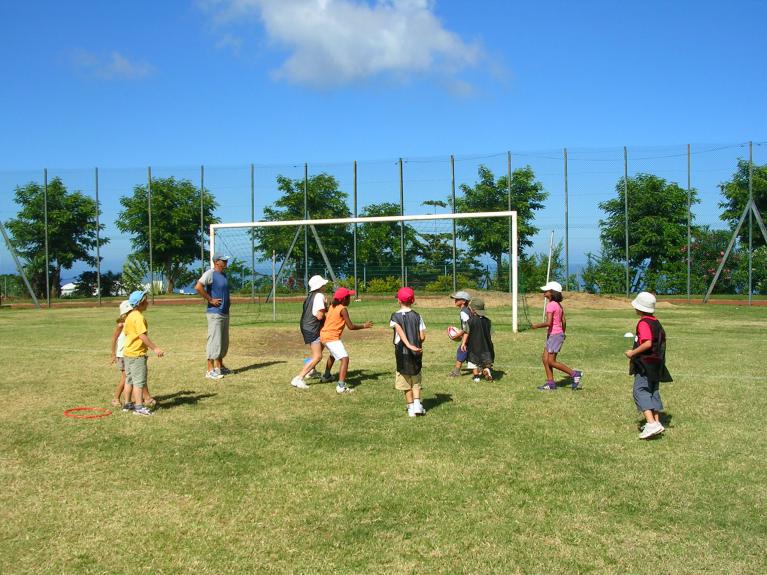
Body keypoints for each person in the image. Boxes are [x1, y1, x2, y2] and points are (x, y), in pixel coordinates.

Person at [625, 291, 672, 440]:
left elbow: (647, 343)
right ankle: (657, 423)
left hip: (645, 363)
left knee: (640, 391)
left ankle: (651, 423)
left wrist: (632, 353)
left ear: (640, 308)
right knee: (652, 391)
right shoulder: (656, 321)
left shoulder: (644, 323)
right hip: (657, 363)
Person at [319, 286, 373, 394]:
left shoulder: (332, 306)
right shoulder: (343, 309)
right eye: (348, 297)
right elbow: (351, 326)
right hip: (331, 337)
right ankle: (341, 386)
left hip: (324, 335)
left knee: (333, 355)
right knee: (345, 359)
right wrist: (364, 326)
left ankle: (326, 376)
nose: (350, 299)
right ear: (343, 299)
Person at [531, 281, 583, 391]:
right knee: (545, 359)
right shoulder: (559, 305)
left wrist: (536, 326)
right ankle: (550, 383)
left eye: (546, 290)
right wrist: (562, 333)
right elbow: (563, 321)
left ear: (552, 292)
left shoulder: (550, 305)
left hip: (554, 335)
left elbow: (548, 323)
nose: (544, 292)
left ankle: (574, 374)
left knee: (551, 361)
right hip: (556, 335)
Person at [122, 290, 164, 416]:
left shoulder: (129, 316)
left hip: (128, 353)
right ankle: (139, 407)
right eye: (145, 300)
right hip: (137, 355)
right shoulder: (139, 317)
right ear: (140, 303)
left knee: (129, 380)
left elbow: (127, 333)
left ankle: (127, 403)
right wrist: (155, 348)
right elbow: (142, 336)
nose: (148, 302)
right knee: (138, 382)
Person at [291, 274, 333, 390]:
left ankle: (312, 370)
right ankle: (299, 378)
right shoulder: (319, 296)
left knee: (321, 346)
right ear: (320, 286)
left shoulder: (310, 295)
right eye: (323, 284)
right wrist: (328, 309)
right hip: (312, 328)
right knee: (318, 356)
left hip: (306, 326)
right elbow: (319, 316)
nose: (325, 285)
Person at [390, 287, 426, 417]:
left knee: (405, 382)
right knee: (416, 380)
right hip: (417, 353)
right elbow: (422, 337)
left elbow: (400, 333)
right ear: (413, 300)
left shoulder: (395, 317)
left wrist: (409, 345)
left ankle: (411, 408)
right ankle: (417, 405)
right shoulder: (418, 316)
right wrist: (414, 345)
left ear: (399, 300)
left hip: (402, 354)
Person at [195, 253, 231, 380]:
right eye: (223, 260)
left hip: (224, 313)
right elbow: (198, 286)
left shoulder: (223, 275)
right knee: (214, 341)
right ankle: (210, 370)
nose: (226, 262)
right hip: (215, 313)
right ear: (216, 262)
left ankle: (219, 367)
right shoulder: (210, 273)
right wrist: (210, 299)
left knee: (223, 341)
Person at [460, 297, 495, 383]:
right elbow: (491, 334)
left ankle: (476, 377)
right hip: (486, 346)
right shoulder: (488, 321)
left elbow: (466, 333)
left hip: (474, 346)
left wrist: (463, 343)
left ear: (473, 310)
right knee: (485, 361)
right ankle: (487, 370)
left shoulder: (470, 321)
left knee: (473, 362)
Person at [109, 300, 132, 407]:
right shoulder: (120, 325)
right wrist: (113, 354)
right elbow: (114, 338)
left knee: (132, 377)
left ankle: (145, 398)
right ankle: (116, 398)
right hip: (122, 355)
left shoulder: (133, 322)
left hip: (131, 353)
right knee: (126, 377)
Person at [448, 290, 473, 377]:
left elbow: (467, 328)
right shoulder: (468, 309)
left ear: (464, 301)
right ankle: (481, 368)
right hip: (472, 335)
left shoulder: (463, 312)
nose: (455, 301)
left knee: (461, 350)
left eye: (457, 299)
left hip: (469, 336)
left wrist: (458, 335)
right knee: (471, 352)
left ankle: (456, 372)